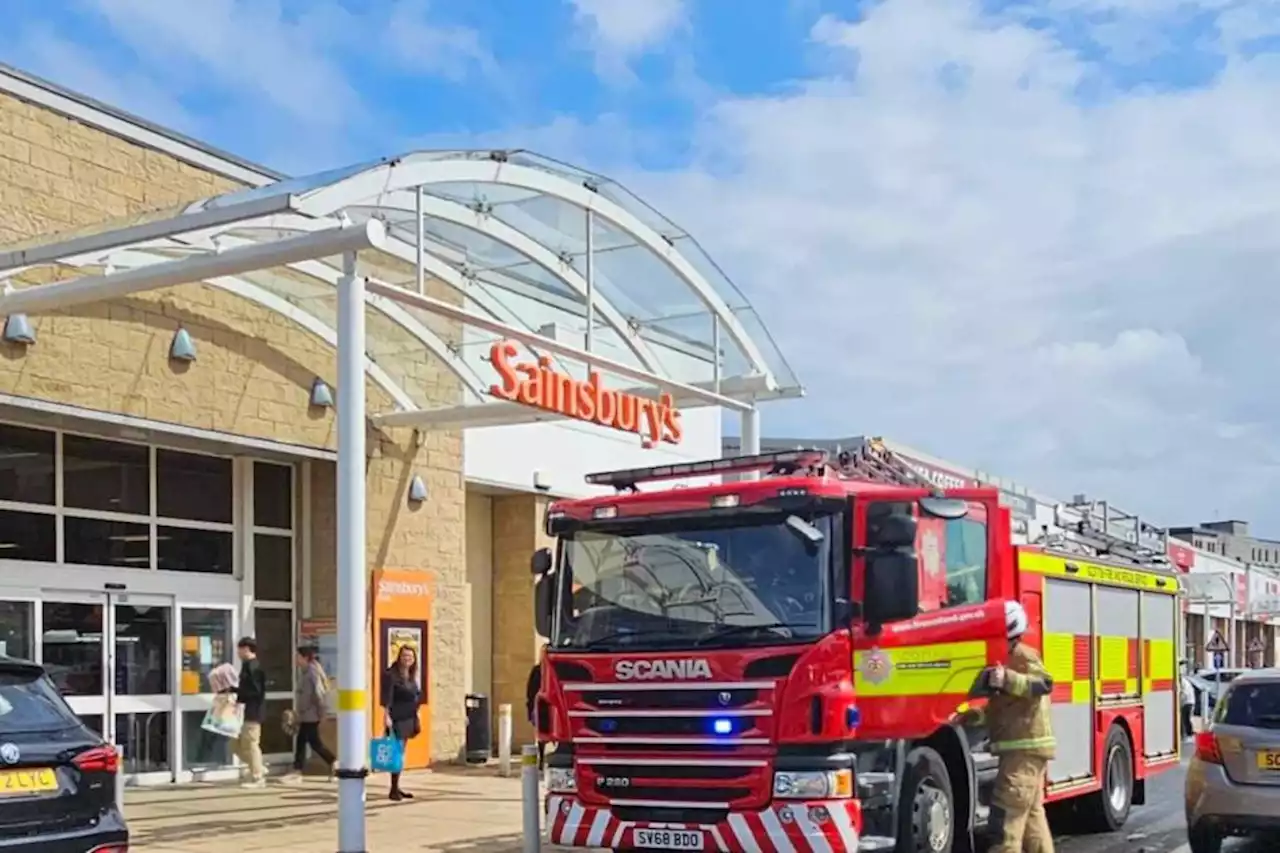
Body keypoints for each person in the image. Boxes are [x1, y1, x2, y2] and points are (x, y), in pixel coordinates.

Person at [976, 601, 1056, 853]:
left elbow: (1044, 684)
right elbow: (1003, 708)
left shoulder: (1022, 655)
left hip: (1023, 752)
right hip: (1025, 751)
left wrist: (1007, 679)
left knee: (1005, 821)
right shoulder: (1006, 657)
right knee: (1032, 818)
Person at [281, 645, 336, 783]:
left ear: (305, 658)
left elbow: (319, 694)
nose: (296, 660)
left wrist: (321, 712)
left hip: (311, 715)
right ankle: (298, 769)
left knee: (313, 743)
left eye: (298, 657)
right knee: (306, 742)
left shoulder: (312, 672)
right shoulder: (306, 672)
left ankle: (333, 763)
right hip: (306, 714)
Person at [380, 644, 423, 801]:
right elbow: (387, 697)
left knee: (401, 753)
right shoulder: (391, 675)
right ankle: (393, 789)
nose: (407, 659)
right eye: (405, 656)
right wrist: (386, 716)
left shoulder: (411, 675)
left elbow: (416, 695)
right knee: (396, 753)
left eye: (410, 657)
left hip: (409, 717)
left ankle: (397, 786)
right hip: (397, 717)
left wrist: (417, 712)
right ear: (399, 657)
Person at [232, 637, 268, 788]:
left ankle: (257, 776)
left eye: (239, 649)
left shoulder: (254, 667)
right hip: (244, 711)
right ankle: (258, 766)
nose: (238, 652)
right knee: (234, 744)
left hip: (253, 711)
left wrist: (240, 694)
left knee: (251, 744)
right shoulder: (247, 666)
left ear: (246, 649)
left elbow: (255, 691)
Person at [525, 661, 543, 767]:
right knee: (541, 733)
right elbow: (531, 691)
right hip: (539, 705)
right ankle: (541, 758)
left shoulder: (538, 670)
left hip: (541, 705)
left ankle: (542, 759)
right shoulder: (538, 670)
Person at [1181, 661, 1197, 738]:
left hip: (1187, 702)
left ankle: (1188, 733)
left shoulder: (1183, 682)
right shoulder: (1185, 681)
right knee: (1186, 718)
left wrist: (1179, 703)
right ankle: (1188, 732)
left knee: (1185, 718)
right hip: (1190, 701)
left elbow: (1183, 693)